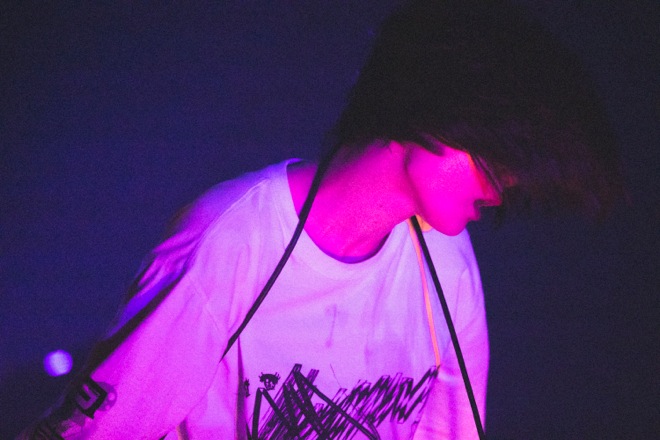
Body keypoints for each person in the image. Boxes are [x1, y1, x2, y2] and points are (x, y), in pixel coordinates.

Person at [20, 1, 622, 439]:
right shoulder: (235, 238)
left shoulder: (450, 262)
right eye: (497, 156)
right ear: (431, 107)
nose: (508, 182)